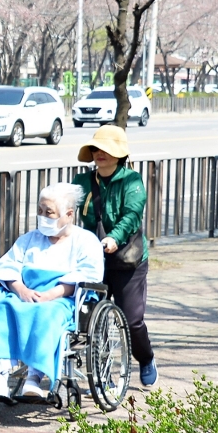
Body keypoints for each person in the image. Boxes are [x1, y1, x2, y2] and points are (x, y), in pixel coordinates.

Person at [0, 184, 105, 402]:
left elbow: (88, 274)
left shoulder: (86, 241)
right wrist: (20, 289)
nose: (42, 217)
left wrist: (52, 294)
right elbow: (8, 265)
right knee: (4, 307)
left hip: (62, 299)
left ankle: (34, 379)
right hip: (24, 293)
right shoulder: (29, 239)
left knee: (46, 313)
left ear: (69, 215)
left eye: (48, 212)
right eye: (40, 211)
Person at [72, 124, 157, 386]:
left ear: (119, 154)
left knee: (131, 321)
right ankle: (103, 373)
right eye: (96, 149)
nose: (100, 154)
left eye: (107, 150)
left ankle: (145, 358)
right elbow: (65, 210)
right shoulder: (82, 181)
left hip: (128, 259)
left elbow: (132, 215)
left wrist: (113, 237)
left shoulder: (132, 181)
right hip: (93, 258)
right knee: (91, 319)